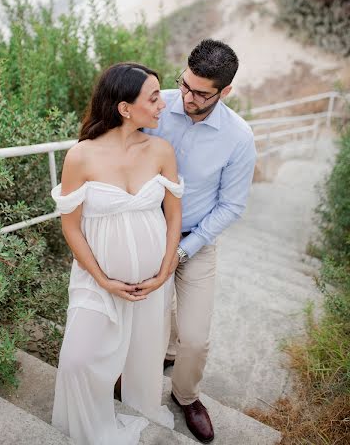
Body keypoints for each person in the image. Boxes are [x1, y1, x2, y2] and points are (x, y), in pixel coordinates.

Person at [50, 62, 183, 445]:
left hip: (153, 280)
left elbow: (174, 217)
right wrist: (103, 279)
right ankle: (92, 430)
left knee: (145, 359)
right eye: (154, 97)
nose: (162, 105)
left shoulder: (161, 150)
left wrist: (164, 269)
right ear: (125, 108)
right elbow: (71, 227)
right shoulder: (81, 156)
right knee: (77, 360)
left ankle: (141, 409)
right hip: (98, 280)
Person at [144, 39, 257, 444]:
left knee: (195, 337)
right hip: (146, 233)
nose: (186, 98)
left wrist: (182, 251)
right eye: (185, 85)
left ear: (225, 91)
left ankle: (186, 395)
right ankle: (136, 371)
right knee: (144, 322)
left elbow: (231, 206)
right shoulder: (156, 107)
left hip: (196, 241)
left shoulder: (239, 138)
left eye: (201, 93)